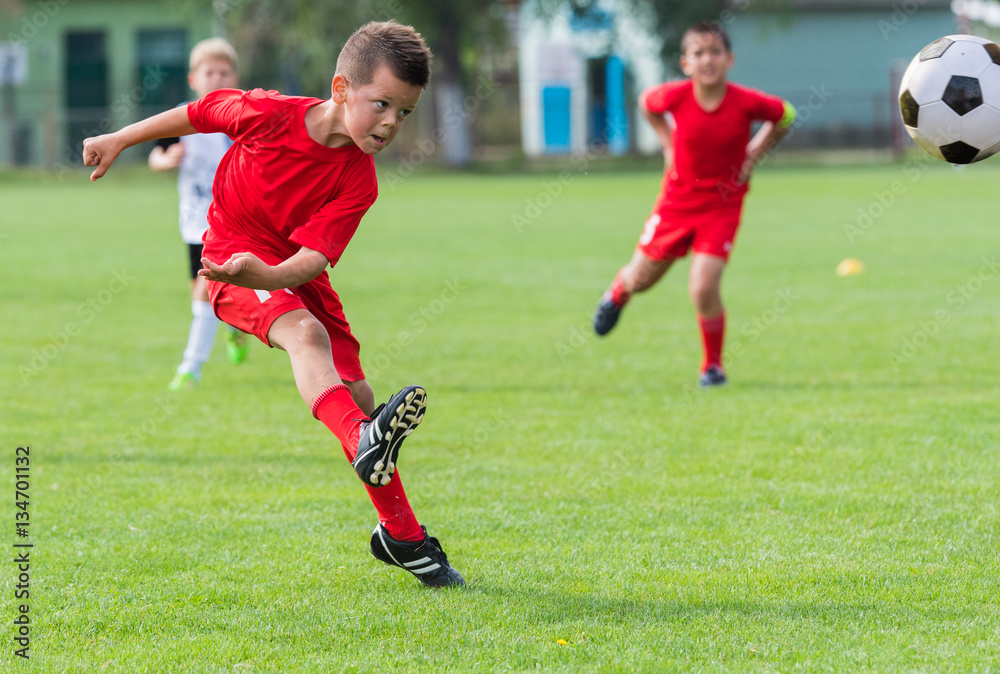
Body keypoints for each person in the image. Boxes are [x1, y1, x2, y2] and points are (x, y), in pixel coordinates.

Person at [83, 21, 463, 588]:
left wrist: (273, 274)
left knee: (358, 400)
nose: (391, 123)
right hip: (231, 258)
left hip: (286, 269)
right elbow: (198, 112)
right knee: (306, 340)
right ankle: (380, 478)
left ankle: (401, 537)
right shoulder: (268, 114)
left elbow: (311, 261)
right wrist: (120, 138)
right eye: (381, 104)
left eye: (404, 113)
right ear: (340, 89)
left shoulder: (361, 180)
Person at [592, 21, 796, 387]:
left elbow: (786, 115)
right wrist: (668, 143)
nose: (707, 60)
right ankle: (617, 295)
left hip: (722, 206)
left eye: (715, 51)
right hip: (675, 204)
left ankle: (712, 367)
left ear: (729, 59)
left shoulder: (745, 102)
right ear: (685, 62)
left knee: (703, 286)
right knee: (641, 279)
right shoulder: (674, 96)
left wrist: (754, 153)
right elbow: (645, 103)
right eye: (698, 53)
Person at [149, 37, 252, 391]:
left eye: (224, 71)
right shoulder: (183, 116)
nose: (217, 78)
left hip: (235, 222)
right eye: (210, 72)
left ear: (235, 76)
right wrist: (166, 160)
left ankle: (190, 368)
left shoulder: (245, 115)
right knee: (206, 290)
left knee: (205, 292)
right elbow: (155, 154)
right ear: (195, 79)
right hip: (195, 222)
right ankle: (237, 327)